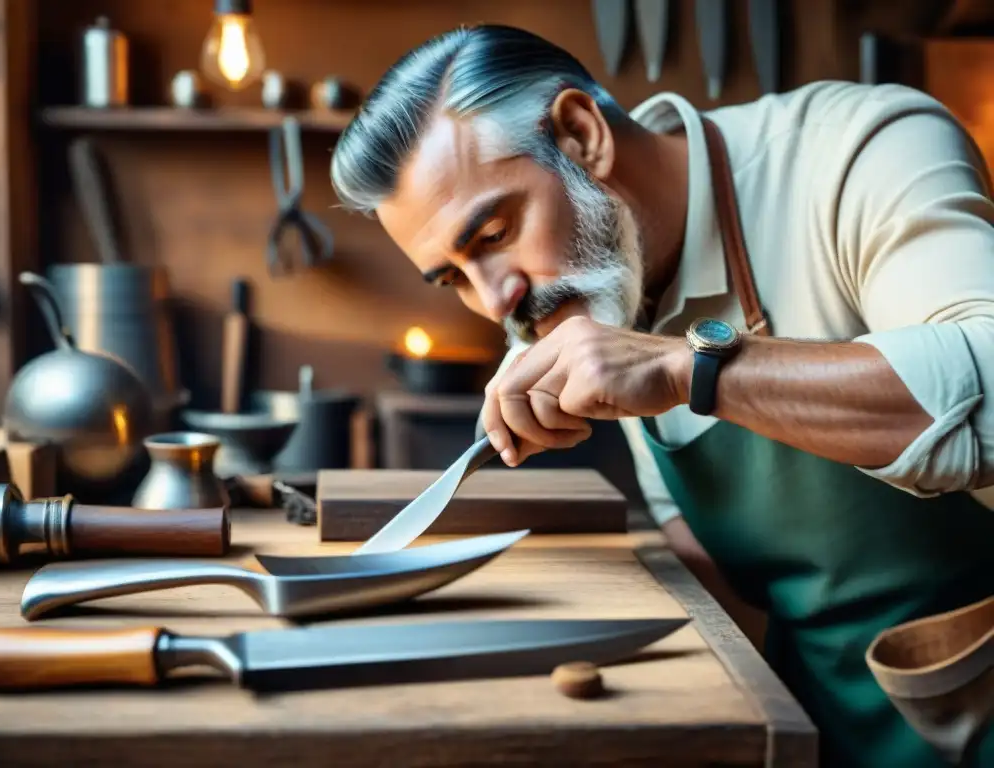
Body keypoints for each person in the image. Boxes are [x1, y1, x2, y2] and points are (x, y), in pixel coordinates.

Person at [329, 24, 994, 768]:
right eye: (453, 276)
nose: (495, 300)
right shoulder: (604, 283)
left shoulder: (864, 150)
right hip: (813, 724)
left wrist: (690, 368)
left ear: (581, 136)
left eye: (493, 232)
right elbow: (712, 566)